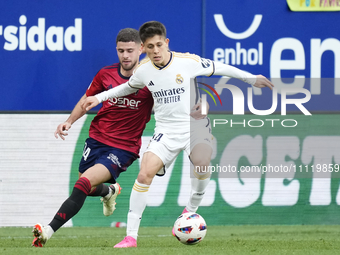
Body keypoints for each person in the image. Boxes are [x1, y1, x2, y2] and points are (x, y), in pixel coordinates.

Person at [82, 21, 274, 248]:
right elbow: (126, 88)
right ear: (143, 47)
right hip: (165, 131)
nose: (155, 51)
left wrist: (250, 78)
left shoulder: (188, 62)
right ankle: (131, 237)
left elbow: (220, 68)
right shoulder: (143, 70)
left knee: (202, 163)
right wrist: (100, 97)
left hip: (194, 126)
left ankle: (190, 211)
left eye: (159, 45)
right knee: (144, 174)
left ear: (167, 43)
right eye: (150, 47)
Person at [31, 28, 155, 247]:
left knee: (83, 182)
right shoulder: (105, 73)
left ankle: (48, 231)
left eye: (130, 50)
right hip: (97, 139)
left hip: (123, 148)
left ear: (141, 49)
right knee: (86, 186)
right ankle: (110, 191)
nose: (125, 56)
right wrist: (69, 121)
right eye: (120, 51)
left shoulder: (152, 79)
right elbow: (87, 99)